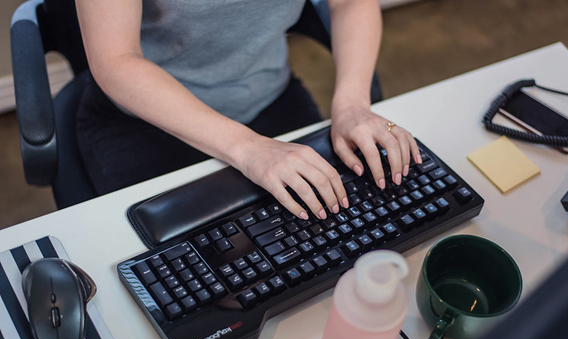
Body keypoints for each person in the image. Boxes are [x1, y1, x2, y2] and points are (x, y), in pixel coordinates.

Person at [75, 0, 421, 220]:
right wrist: (250, 148)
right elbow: (115, 60)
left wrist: (352, 105)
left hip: (268, 96)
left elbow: (350, 3)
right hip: (146, 120)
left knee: (349, 227)